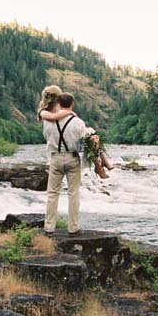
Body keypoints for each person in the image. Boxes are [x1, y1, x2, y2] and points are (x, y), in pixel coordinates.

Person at [40, 91, 97, 236]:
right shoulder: (78, 122)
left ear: (59, 103)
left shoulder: (48, 120)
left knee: (52, 193)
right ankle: (73, 228)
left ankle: (49, 228)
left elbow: (46, 137)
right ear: (72, 104)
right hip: (72, 158)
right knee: (73, 193)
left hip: (55, 158)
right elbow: (83, 144)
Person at [37, 87, 113, 179]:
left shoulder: (56, 111)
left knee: (92, 135)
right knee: (91, 134)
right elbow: (53, 117)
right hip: (65, 149)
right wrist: (69, 112)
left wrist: (67, 113)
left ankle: (102, 161)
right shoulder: (44, 112)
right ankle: (99, 165)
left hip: (59, 152)